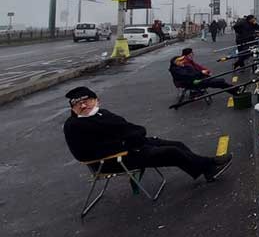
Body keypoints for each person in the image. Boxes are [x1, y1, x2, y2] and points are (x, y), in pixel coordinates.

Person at [63, 86, 232, 182]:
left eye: (86, 101)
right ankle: (209, 165)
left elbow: (130, 127)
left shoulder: (102, 113)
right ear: (72, 108)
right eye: (78, 104)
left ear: (96, 100)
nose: (83, 106)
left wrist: (136, 136)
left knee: (177, 145)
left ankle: (206, 169)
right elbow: (83, 153)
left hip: (133, 146)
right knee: (171, 152)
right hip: (114, 160)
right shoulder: (74, 126)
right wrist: (126, 144)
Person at [170, 48, 240, 93]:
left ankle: (235, 90)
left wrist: (203, 72)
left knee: (220, 82)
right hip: (192, 82)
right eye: (181, 61)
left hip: (196, 80)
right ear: (176, 63)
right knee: (219, 82)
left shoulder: (181, 67)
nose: (183, 62)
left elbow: (195, 69)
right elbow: (189, 75)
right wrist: (201, 73)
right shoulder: (177, 69)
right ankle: (235, 90)